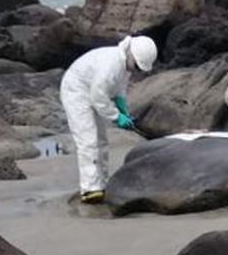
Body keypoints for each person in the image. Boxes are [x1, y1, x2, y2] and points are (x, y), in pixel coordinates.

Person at [59, 34, 158, 202]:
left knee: (101, 140)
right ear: (131, 54)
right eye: (137, 66)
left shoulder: (124, 64)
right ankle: (90, 188)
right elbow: (98, 97)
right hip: (76, 92)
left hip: (93, 91)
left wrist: (123, 108)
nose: (136, 71)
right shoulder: (110, 64)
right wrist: (116, 116)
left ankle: (102, 182)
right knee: (88, 140)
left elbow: (118, 90)